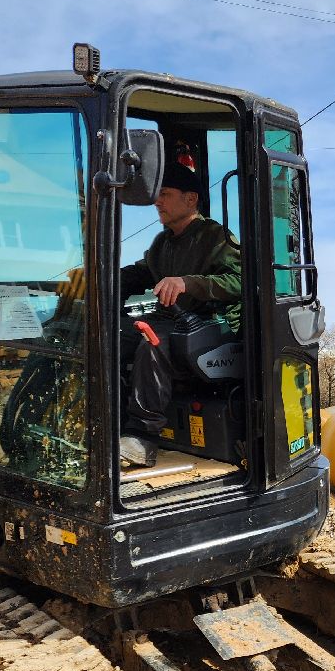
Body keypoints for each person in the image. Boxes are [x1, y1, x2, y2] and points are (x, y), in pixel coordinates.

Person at [117, 156, 242, 467]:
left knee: (152, 342)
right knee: (111, 336)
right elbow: (140, 273)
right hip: (171, 321)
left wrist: (188, 283)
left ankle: (142, 438)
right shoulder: (163, 243)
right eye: (157, 195)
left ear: (191, 199)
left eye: (165, 194)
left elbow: (240, 282)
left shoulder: (215, 237)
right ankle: (109, 422)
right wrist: (96, 279)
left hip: (210, 325)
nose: (157, 202)